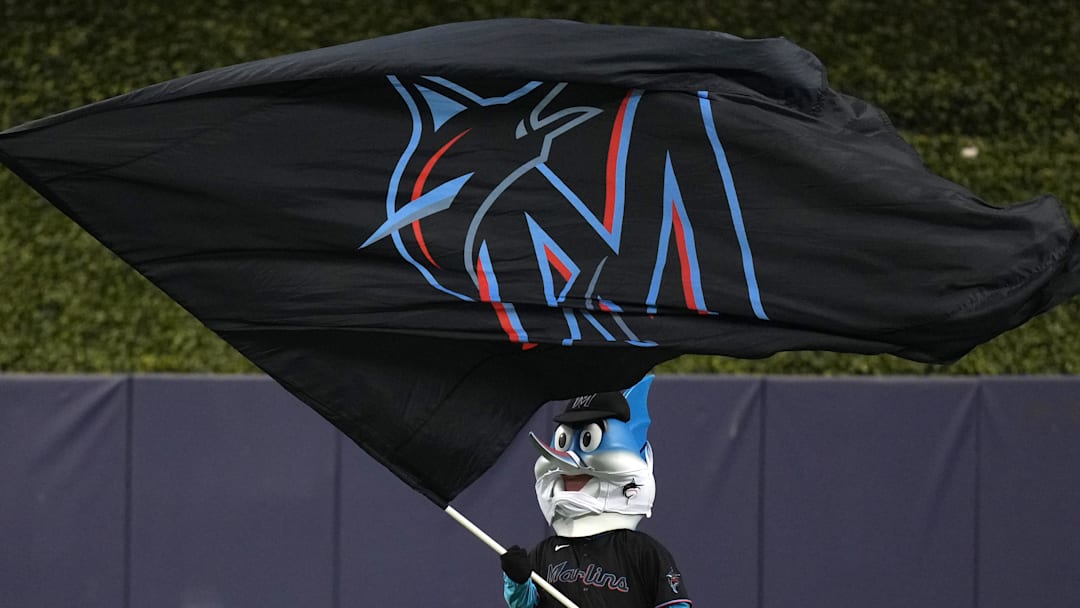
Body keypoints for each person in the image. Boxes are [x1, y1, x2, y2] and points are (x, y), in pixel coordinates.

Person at [500, 375, 692, 607]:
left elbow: (675, 604)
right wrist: (517, 581)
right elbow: (524, 605)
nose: (568, 468)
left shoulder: (642, 551)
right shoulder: (544, 554)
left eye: (587, 439)